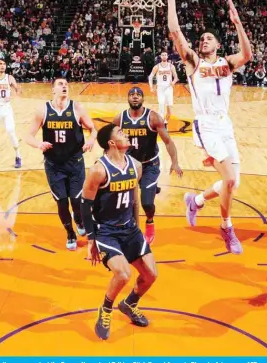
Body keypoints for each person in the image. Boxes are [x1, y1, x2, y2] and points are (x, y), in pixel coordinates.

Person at [164, 0, 252, 254]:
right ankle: (226, 226)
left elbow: (247, 55)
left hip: (226, 124)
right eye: (201, 38)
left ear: (217, 45)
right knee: (228, 180)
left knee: (233, 182)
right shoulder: (192, 62)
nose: (204, 40)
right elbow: (176, 33)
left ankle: (196, 200)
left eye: (209, 38)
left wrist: (238, 24)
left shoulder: (227, 63)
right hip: (206, 125)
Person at [80, 123, 158, 341]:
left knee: (151, 274)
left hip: (130, 229)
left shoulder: (135, 165)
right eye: (122, 133)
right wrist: (90, 240)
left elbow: (133, 198)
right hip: (106, 231)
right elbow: (85, 205)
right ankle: (105, 310)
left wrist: (138, 225)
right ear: (112, 143)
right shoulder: (98, 170)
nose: (127, 134)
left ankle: (129, 304)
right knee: (123, 274)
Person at [25, 78, 97, 250]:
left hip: (75, 163)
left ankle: (78, 219)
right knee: (62, 202)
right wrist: (38, 144)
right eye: (60, 84)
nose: (64, 86)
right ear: (53, 90)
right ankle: (70, 232)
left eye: (66, 84)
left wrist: (91, 141)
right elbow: (28, 136)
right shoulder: (43, 110)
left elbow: (93, 129)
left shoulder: (77, 108)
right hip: (53, 164)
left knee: (77, 199)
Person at [112, 86, 183, 244]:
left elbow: (168, 141)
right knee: (125, 201)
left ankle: (150, 221)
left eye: (138, 95)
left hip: (149, 163)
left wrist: (175, 162)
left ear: (143, 99)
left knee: (147, 203)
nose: (135, 97)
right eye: (132, 94)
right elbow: (111, 141)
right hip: (129, 164)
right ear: (128, 99)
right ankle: (127, 227)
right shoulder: (120, 119)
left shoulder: (153, 118)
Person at [148, 52, 179, 125]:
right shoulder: (157, 66)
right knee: (161, 106)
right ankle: (161, 124)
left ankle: (165, 122)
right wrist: (151, 87)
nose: (164, 56)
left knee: (170, 110)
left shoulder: (171, 66)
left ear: (167, 56)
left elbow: (176, 77)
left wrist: (173, 82)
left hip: (169, 88)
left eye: (165, 55)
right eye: (163, 55)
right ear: (160, 57)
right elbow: (150, 77)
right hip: (160, 88)